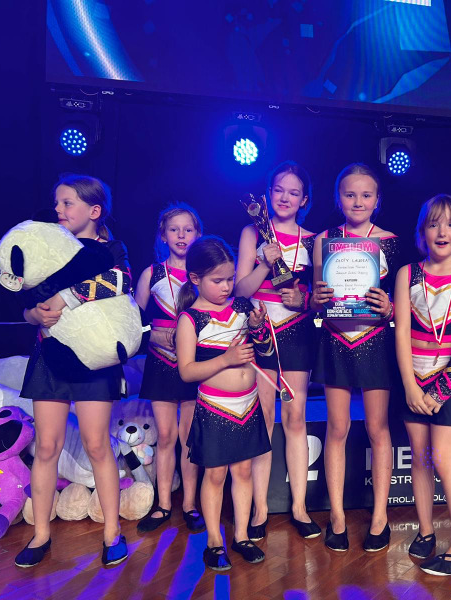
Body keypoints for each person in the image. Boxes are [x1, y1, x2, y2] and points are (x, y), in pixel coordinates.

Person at [15, 174, 131, 567]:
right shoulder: (47, 247)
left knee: (97, 445)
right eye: (57, 203)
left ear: (94, 211)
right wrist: (33, 314)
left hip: (93, 362)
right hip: (49, 358)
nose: (59, 210)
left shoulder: (112, 249)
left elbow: (121, 281)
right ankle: (41, 535)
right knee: (46, 446)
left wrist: (67, 298)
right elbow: (26, 302)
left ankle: (112, 533)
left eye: (68, 203)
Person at [311, 163, 399, 552]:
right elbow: (316, 301)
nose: (358, 202)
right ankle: (337, 517)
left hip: (375, 339)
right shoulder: (324, 240)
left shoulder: (391, 241)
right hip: (336, 338)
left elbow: (400, 301)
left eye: (366, 195)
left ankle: (379, 517)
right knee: (337, 428)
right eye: (350, 194)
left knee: (378, 428)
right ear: (338, 198)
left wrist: (390, 308)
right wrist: (316, 300)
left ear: (378, 200)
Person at [393, 194, 451, 575]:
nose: (441, 231)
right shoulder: (407, 274)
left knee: (445, 458)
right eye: (433, 224)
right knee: (420, 457)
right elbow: (400, 333)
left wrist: (438, 391)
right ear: (422, 233)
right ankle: (426, 530)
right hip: (413, 378)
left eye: (450, 224)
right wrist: (411, 387)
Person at [234, 161, 320, 540]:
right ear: (267, 195)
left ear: (304, 200)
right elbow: (240, 291)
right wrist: (264, 263)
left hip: (297, 333)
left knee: (296, 419)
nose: (285, 197)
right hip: (261, 331)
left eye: (293, 192)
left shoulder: (315, 240)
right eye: (278, 190)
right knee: (264, 420)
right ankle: (260, 509)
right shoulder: (252, 232)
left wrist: (304, 300)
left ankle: (300, 508)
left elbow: (318, 299)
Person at [176, 236, 272, 570]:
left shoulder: (242, 307)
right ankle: (215, 542)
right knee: (215, 475)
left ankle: (241, 536)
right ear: (195, 278)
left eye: (230, 279)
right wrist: (225, 359)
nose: (226, 286)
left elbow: (264, 352)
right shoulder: (191, 319)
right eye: (217, 280)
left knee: (243, 471)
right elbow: (187, 371)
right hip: (216, 407)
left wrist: (259, 329)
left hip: (248, 404)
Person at [133, 203, 205, 533]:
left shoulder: (203, 274)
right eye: (174, 229)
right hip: (160, 361)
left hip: (194, 363)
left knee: (188, 437)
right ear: (163, 235)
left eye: (188, 229)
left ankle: (189, 504)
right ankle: (163, 505)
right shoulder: (152, 273)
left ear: (198, 234)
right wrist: (153, 335)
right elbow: (133, 322)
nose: (181, 235)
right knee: (165, 436)